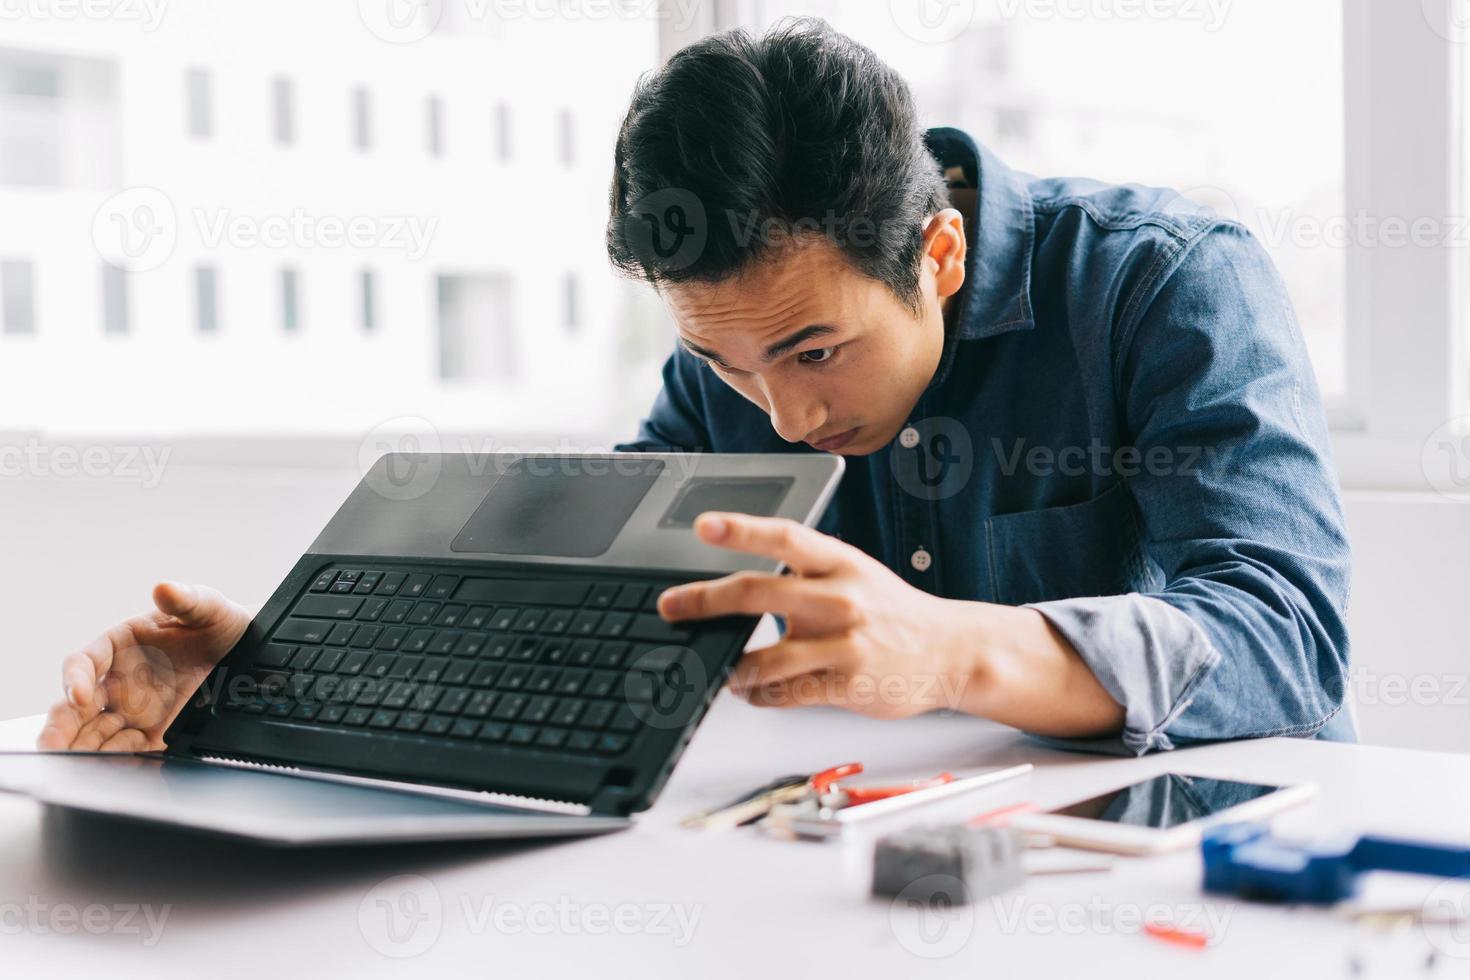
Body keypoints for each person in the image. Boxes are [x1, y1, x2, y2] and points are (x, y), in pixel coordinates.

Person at [38, 20, 1351, 757]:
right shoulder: (737, 353)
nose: (779, 417)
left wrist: (953, 649)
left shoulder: (1162, 280)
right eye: (724, 364)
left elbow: (1287, 636)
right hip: (891, 884)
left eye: (813, 353)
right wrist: (269, 680)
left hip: (1196, 881)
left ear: (936, 253)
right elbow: (605, 610)